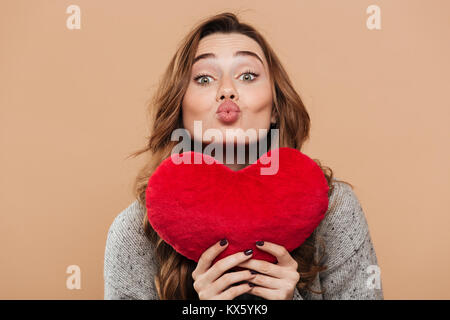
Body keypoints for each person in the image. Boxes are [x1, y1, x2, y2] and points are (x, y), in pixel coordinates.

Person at [103, 12, 384, 300]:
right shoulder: (136, 230)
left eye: (247, 76)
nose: (227, 90)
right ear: (180, 108)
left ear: (275, 107)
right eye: (204, 78)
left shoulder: (334, 208)